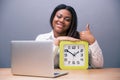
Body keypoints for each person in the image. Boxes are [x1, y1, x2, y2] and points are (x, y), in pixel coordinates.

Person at [36, 4, 104, 69]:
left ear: (71, 23)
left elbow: (98, 65)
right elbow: (41, 65)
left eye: (67, 19)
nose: (62, 20)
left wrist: (92, 41)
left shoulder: (79, 40)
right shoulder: (42, 39)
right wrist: (57, 41)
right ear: (53, 17)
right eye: (59, 16)